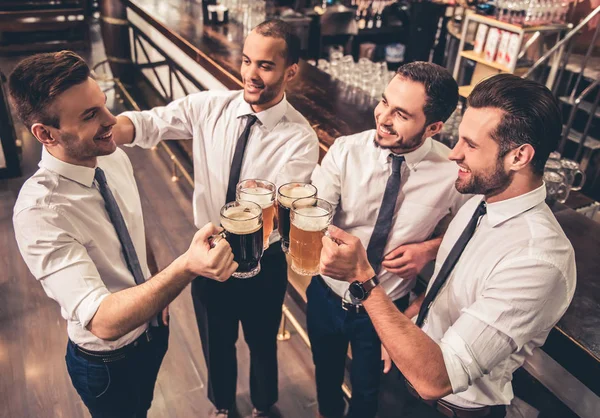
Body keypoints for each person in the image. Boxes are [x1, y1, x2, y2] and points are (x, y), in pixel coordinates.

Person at [319, 74, 577, 418]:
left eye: (470, 145)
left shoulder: (538, 259)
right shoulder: (478, 204)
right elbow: (449, 284)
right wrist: (407, 321)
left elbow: (438, 377)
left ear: (519, 156)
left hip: (451, 406)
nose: (454, 153)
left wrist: (365, 281)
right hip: (407, 378)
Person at [10, 51, 238, 418]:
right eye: (90, 115)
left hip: (154, 329)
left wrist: (154, 288)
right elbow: (102, 321)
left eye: (102, 104)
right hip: (107, 364)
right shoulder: (40, 213)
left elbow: (132, 228)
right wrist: (185, 268)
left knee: (143, 406)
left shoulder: (112, 157)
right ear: (45, 134)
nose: (111, 120)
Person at [111, 19, 319, 418]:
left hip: (263, 261)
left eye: (265, 65)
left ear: (291, 71)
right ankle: (222, 406)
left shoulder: (299, 137)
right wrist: (106, 130)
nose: (250, 75)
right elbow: (149, 123)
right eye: (246, 61)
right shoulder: (211, 106)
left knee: (262, 342)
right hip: (207, 255)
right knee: (215, 339)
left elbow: (267, 212)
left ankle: (262, 405)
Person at [308, 61, 469, 418]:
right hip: (327, 294)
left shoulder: (452, 173)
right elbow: (315, 216)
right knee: (326, 373)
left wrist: (430, 249)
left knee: (369, 390)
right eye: (384, 102)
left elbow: (468, 237)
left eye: (401, 114)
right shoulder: (345, 151)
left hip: (388, 308)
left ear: (434, 127)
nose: (382, 117)